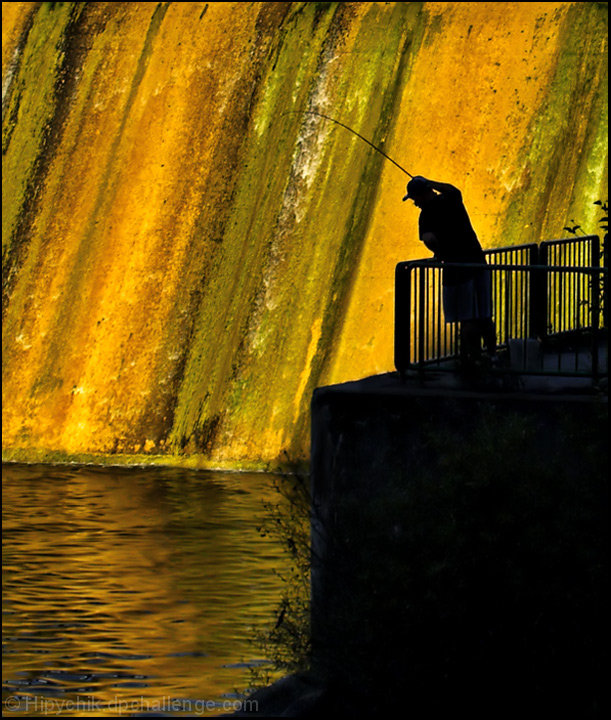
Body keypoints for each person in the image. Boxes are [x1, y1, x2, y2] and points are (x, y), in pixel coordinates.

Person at [402, 176, 496, 365]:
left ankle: (473, 359)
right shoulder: (451, 199)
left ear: (423, 195)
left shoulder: (426, 215)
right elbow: (451, 188)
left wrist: (440, 253)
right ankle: (492, 355)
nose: (415, 203)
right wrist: (429, 182)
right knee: (484, 313)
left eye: (415, 199)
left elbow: (429, 239)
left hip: (457, 269)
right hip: (478, 261)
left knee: (466, 317)